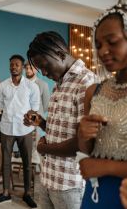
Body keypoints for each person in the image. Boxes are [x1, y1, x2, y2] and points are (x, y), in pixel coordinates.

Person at [24, 31, 97, 209]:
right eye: (40, 68)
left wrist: (44, 148)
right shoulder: (60, 82)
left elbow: (86, 143)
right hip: (48, 177)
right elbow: (63, 131)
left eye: (45, 66)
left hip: (69, 184)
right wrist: (41, 122)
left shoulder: (87, 82)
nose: (44, 72)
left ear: (60, 53)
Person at [77, 0, 127, 208]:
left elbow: (93, 165)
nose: (104, 50)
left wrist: (106, 166)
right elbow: (85, 155)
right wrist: (83, 133)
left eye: (112, 42)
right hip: (94, 193)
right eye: (98, 45)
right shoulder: (94, 91)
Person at [0, 54, 40, 208]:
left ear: (22, 67)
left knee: (27, 162)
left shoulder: (32, 86)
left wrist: (27, 121)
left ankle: (27, 194)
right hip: (6, 128)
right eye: (11, 64)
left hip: (25, 129)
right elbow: (1, 105)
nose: (13, 67)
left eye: (17, 64)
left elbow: (35, 107)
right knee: (6, 162)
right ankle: (5, 193)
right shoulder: (3, 86)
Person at [24, 62, 50, 167]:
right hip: (22, 120)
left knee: (35, 147)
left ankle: (36, 168)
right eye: (26, 68)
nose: (28, 70)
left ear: (36, 70)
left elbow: (46, 104)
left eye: (30, 68)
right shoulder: (21, 84)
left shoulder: (43, 85)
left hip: (36, 122)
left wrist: (36, 116)